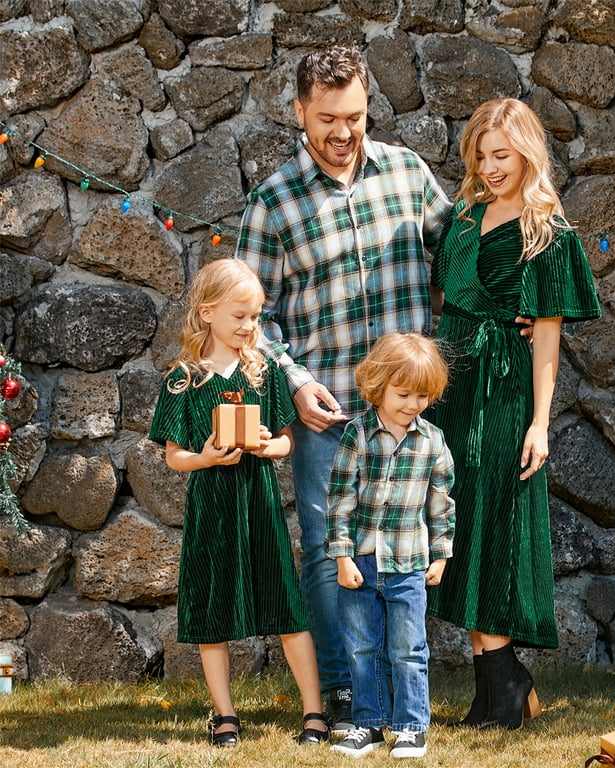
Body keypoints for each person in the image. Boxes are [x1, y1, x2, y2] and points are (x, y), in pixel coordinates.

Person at [235, 44, 452, 730]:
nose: (342, 132)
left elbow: (461, 254)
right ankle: (340, 691)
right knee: (332, 555)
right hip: (326, 414)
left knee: (409, 548)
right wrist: (295, 384)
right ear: (300, 111)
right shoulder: (272, 203)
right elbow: (252, 318)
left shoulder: (409, 175)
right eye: (327, 117)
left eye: (354, 116)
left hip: (407, 416)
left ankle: (399, 688)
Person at [426, 98, 602, 731]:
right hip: (453, 386)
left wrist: (538, 423)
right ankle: (497, 684)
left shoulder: (547, 233)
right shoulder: (464, 217)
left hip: (503, 392)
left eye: (502, 154)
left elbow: (548, 336)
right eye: (480, 154)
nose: (490, 165)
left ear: (527, 152)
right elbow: (451, 296)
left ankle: (504, 683)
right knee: (460, 519)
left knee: (495, 522)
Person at [148, 259, 330, 747]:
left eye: (255, 316)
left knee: (286, 604)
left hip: (260, 503)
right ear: (206, 313)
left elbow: (286, 443)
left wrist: (265, 445)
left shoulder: (263, 371)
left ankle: (315, 712)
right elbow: (174, 457)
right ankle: (224, 714)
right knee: (214, 611)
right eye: (240, 317)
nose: (250, 327)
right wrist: (206, 457)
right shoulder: (183, 379)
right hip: (211, 508)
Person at [326, 333, 455, 758]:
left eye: (422, 395)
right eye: (403, 394)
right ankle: (369, 724)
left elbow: (441, 503)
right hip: (361, 562)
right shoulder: (357, 436)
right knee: (363, 648)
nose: (412, 404)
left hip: (409, 564)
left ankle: (411, 727)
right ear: (378, 385)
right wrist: (342, 556)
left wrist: (441, 552)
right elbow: (340, 500)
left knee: (409, 648)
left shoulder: (432, 441)